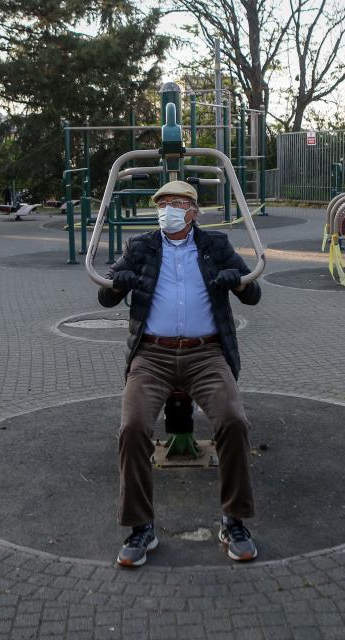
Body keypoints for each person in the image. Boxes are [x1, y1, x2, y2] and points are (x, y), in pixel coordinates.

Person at [97, 180, 262, 567]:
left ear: (193, 211)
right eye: (161, 204)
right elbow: (104, 294)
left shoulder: (215, 246)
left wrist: (233, 280)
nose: (166, 210)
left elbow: (253, 294)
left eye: (174, 204)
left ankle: (234, 519)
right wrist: (119, 284)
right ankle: (141, 527)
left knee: (233, 421)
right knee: (133, 428)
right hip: (152, 355)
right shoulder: (142, 247)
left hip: (205, 353)